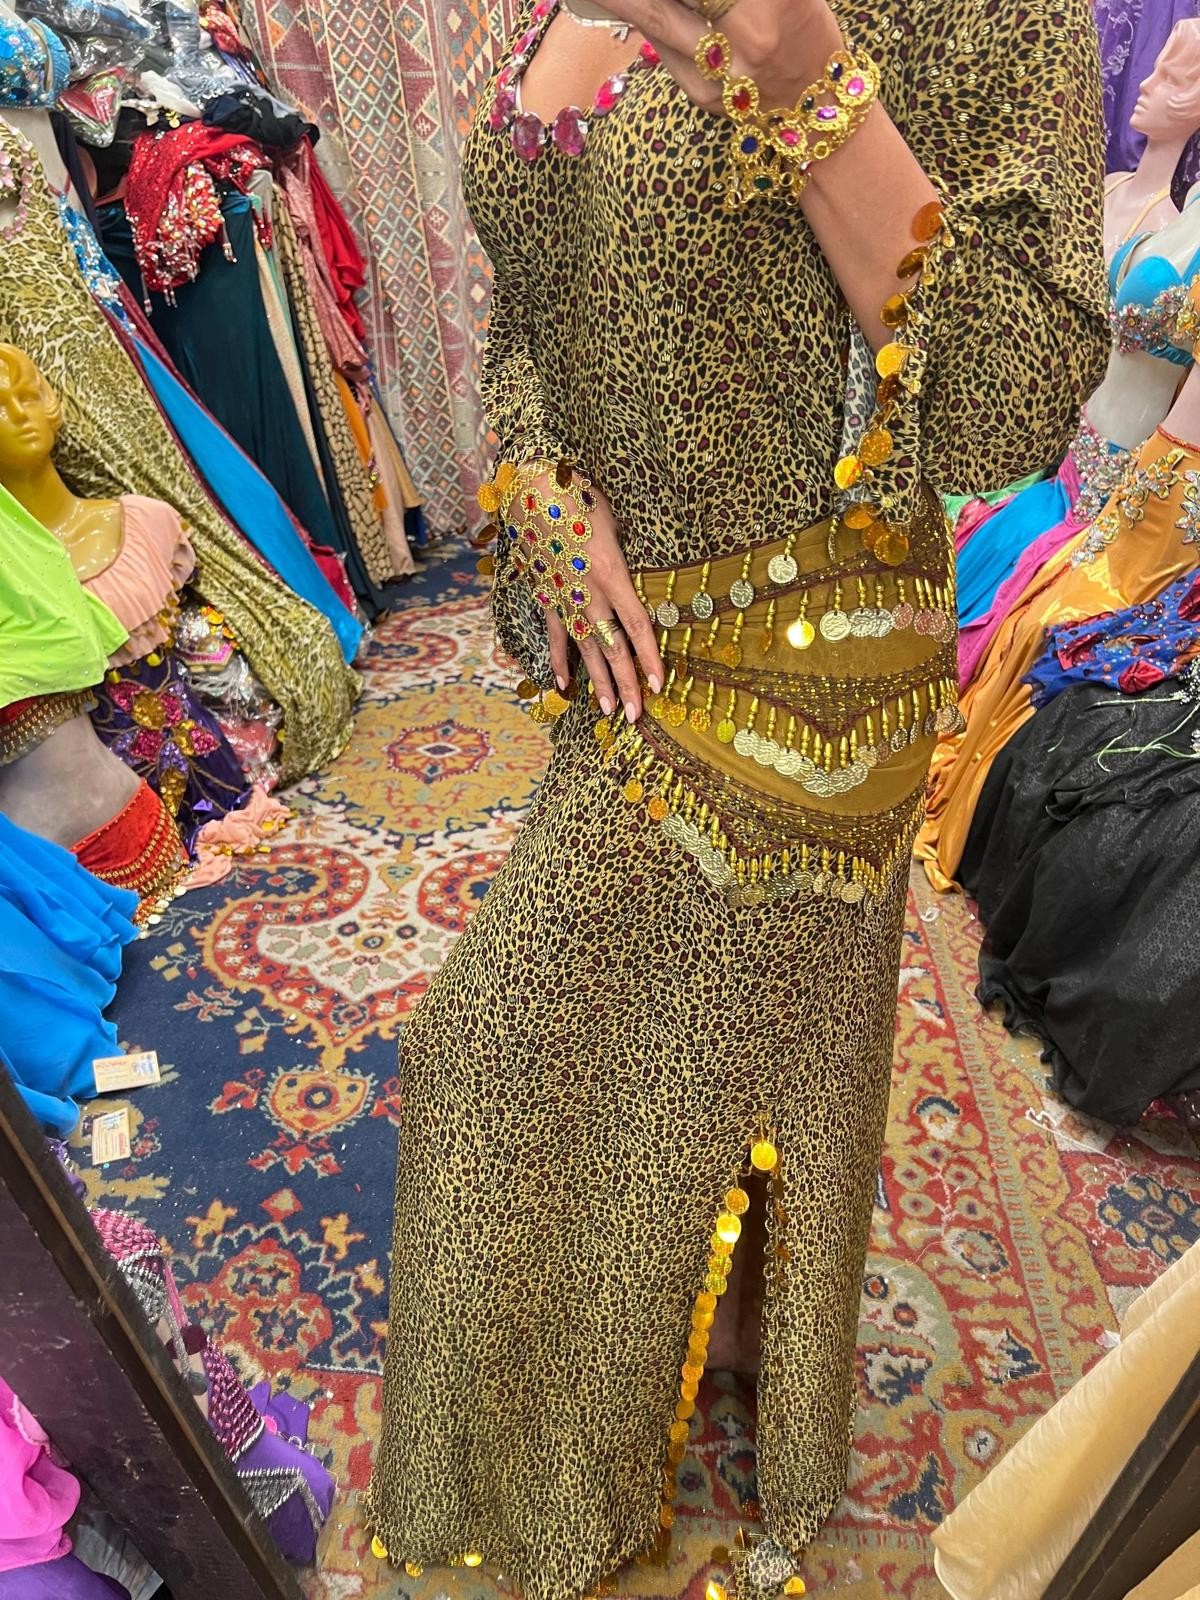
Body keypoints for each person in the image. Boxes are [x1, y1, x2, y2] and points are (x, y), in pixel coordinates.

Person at [364, 1, 1109, 1596]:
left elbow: (1003, 410)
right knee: (622, 1074)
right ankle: (694, 1360)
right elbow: (534, 306)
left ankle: (552, 1518)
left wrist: (804, 77)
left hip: (799, 664)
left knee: (500, 1065)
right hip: (631, 653)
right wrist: (534, 483)